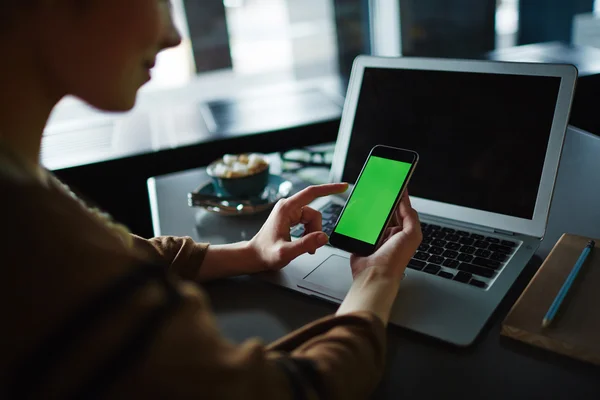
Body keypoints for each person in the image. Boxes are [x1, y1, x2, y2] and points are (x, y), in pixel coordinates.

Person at [0, 1, 422, 399]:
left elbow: (126, 254)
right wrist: (376, 280)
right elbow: (295, 392)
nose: (173, 37)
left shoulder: (24, 186)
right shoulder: (36, 242)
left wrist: (248, 253)